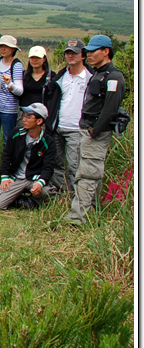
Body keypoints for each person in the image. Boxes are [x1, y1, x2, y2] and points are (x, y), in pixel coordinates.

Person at [64, 35, 126, 224]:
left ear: (106, 52)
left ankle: (77, 217)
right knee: (91, 172)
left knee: (87, 174)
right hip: (88, 129)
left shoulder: (113, 77)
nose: (88, 54)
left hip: (95, 132)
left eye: (93, 51)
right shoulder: (98, 73)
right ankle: (93, 211)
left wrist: (95, 131)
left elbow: (110, 108)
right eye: (88, 51)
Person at [43, 39, 92, 195]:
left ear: (83, 55)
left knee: (74, 166)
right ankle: (62, 194)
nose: (70, 56)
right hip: (58, 126)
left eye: (74, 53)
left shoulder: (90, 78)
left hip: (77, 128)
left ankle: (77, 198)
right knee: (56, 163)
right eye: (68, 53)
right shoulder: (60, 77)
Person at [0, 103, 57, 210]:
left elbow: (48, 166)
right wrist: (5, 177)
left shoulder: (48, 142)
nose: (24, 119)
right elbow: (6, 156)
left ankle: (26, 199)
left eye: (29, 117)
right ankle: (20, 200)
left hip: (34, 179)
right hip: (17, 178)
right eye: (24, 116)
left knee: (47, 193)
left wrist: (40, 182)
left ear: (39, 121)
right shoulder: (16, 133)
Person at [0, 35, 24, 145]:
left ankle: (8, 162)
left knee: (8, 140)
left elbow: (20, 90)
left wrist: (10, 84)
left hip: (8, 110)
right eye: (1, 46)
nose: (3, 49)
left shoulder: (16, 65)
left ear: (13, 49)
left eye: (6, 47)